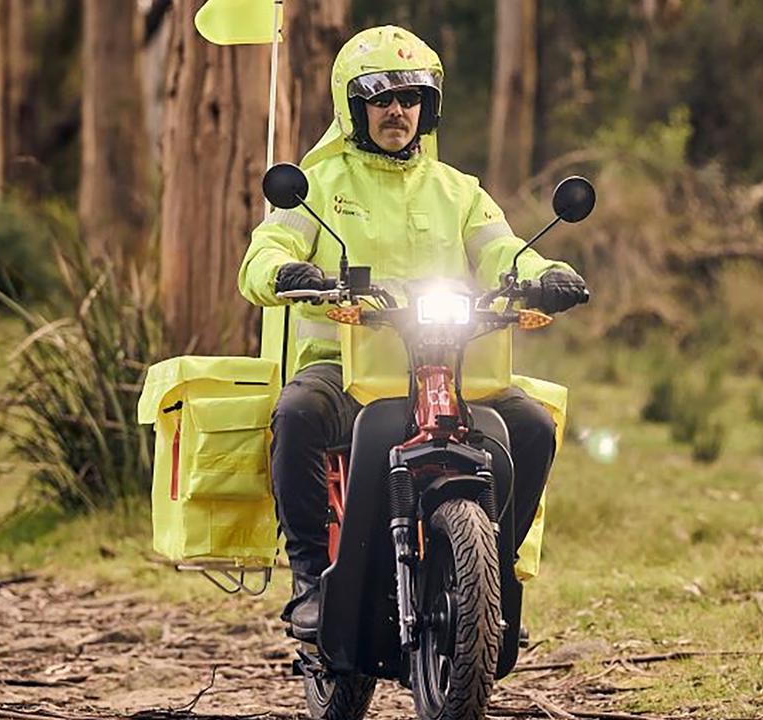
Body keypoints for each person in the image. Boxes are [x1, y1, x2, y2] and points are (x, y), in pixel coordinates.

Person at [237, 25, 588, 640]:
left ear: (428, 107)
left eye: (411, 96)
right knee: (296, 413)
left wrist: (546, 271)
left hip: (453, 362)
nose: (397, 109)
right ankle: (312, 580)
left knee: (531, 424)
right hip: (343, 363)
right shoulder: (318, 185)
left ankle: (492, 579)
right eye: (379, 96)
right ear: (353, 106)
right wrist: (287, 269)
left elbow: (503, 249)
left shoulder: (459, 191)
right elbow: (265, 249)